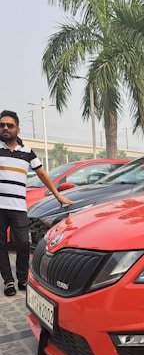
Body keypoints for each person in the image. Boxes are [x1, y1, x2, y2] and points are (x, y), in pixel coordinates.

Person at [0, 109, 74, 297]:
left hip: (18, 208)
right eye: (2, 125)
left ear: (18, 129)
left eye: (10, 125)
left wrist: (58, 196)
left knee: (23, 243)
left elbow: (42, 174)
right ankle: (8, 281)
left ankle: (22, 278)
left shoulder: (27, 152)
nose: (5, 128)